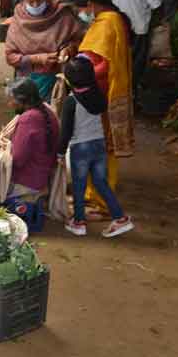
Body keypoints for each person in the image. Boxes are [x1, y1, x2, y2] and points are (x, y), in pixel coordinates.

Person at [70, 0, 135, 219]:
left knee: (101, 148)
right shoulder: (109, 19)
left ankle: (103, 205)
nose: (80, 14)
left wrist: (76, 75)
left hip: (103, 94)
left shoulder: (108, 23)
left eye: (80, 9)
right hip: (99, 91)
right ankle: (91, 194)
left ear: (90, 5)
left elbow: (103, 64)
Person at [60, 57, 134, 238]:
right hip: (98, 144)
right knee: (101, 183)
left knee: (79, 186)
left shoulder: (71, 102)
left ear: (68, 79)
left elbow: (66, 131)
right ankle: (120, 218)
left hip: (80, 147)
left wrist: (59, 152)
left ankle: (79, 222)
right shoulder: (98, 94)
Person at [5, 0, 84, 99]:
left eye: (39, 1)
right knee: (28, 116)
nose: (36, 5)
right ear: (23, 0)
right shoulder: (18, 19)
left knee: (52, 114)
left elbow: (77, 40)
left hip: (56, 79)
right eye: (31, 2)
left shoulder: (61, 14)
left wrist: (67, 50)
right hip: (27, 81)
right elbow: (10, 56)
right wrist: (36, 59)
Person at [112, 0, 162, 96]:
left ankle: (124, 89)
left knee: (124, 60)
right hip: (139, 26)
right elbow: (156, 4)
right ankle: (132, 92)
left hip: (121, 24)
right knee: (137, 61)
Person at [8, 77, 60, 201]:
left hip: (27, 182)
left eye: (11, 100)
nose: (9, 104)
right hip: (40, 176)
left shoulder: (28, 118)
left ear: (22, 100)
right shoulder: (46, 110)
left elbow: (17, 159)